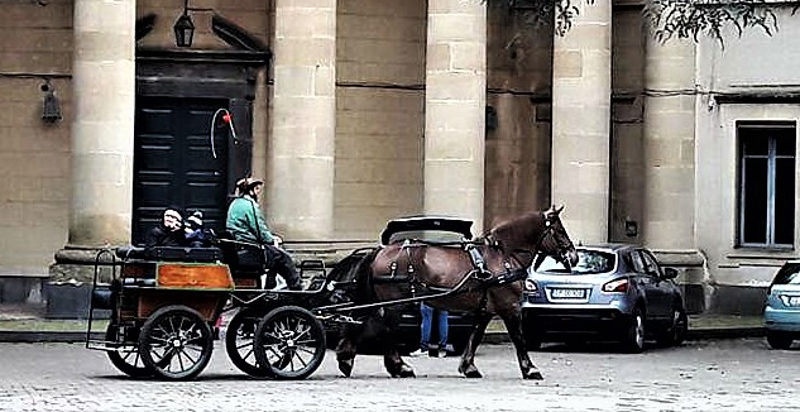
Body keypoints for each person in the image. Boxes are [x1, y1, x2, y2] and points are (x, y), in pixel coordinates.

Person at [226, 176, 302, 290]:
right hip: (250, 247)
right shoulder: (249, 205)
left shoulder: (235, 204)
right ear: (250, 191)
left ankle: (270, 287)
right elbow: (259, 230)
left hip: (240, 246)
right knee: (284, 258)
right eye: (256, 189)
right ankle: (297, 288)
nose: (258, 193)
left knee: (275, 256)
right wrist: (272, 239)